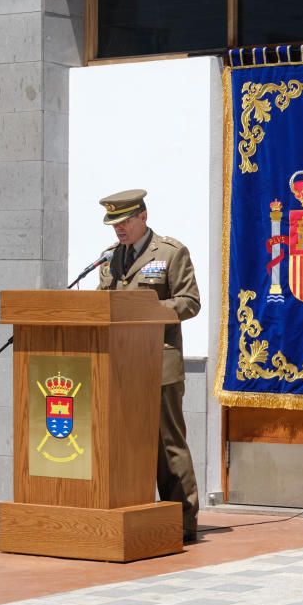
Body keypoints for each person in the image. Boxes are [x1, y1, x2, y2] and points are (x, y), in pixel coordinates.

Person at [97, 189, 202, 544]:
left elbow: (190, 302)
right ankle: (133, 510)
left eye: (125, 221)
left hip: (159, 360)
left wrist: (147, 312)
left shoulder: (171, 253)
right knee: (123, 439)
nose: (119, 229)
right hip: (119, 363)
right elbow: (102, 306)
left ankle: (183, 518)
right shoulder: (110, 258)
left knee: (167, 440)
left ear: (143, 216)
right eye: (114, 223)